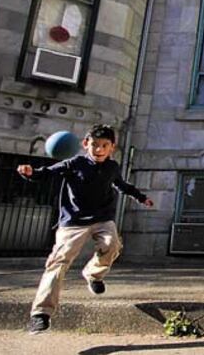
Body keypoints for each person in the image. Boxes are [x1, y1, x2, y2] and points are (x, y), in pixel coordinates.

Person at [17, 124, 154, 334]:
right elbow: (47, 173)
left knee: (112, 244)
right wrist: (30, 173)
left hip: (102, 218)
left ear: (112, 148)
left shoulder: (112, 167)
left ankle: (93, 274)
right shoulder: (74, 163)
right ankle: (41, 314)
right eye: (95, 145)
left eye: (104, 146)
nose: (98, 150)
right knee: (58, 262)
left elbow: (121, 185)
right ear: (85, 144)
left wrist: (141, 197)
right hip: (73, 221)